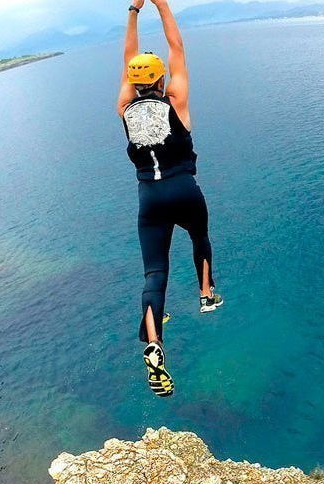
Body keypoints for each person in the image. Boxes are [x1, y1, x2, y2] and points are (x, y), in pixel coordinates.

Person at [118, 0, 222, 397]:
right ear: (162, 80)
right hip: (184, 189)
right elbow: (176, 48)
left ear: (134, 81)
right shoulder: (175, 98)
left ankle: (154, 344)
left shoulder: (125, 108)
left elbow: (130, 58)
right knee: (200, 238)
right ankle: (206, 294)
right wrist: (160, 4)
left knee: (154, 274)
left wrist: (133, 10)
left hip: (150, 199)